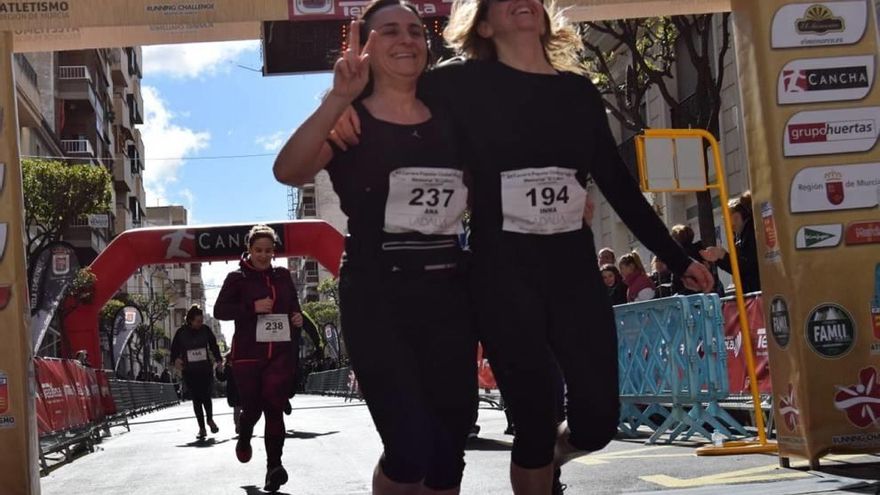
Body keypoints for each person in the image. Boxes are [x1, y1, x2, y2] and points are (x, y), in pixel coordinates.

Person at [274, 4, 478, 492]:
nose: (406, 39)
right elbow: (289, 171)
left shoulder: (453, 117)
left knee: (449, 452)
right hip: (377, 295)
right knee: (409, 450)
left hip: (450, 292)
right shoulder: (349, 122)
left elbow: (492, 177)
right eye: (389, 31)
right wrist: (337, 99)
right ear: (363, 45)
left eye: (415, 31)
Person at [214, 224, 305, 493]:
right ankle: (244, 435)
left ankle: (273, 467)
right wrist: (251, 308)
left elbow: (293, 306)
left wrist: (296, 318)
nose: (263, 255)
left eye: (268, 250)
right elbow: (220, 310)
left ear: (273, 251)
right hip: (248, 356)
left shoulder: (283, 276)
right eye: (258, 250)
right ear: (249, 250)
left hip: (279, 354)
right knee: (252, 408)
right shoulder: (237, 278)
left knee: (274, 406)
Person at [170, 305, 223, 440]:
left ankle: (210, 420)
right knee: (196, 399)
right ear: (190, 320)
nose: (200, 323)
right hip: (190, 371)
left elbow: (213, 345)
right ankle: (202, 428)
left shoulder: (205, 330)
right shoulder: (181, 332)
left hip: (205, 369)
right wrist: (175, 360)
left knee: (206, 396)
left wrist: (219, 360)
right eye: (198, 321)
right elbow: (174, 349)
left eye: (201, 320)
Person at [701, 191, 761, 294]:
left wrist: (723, 256)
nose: (727, 224)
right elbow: (739, 268)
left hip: (755, 289)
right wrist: (721, 258)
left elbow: (747, 265)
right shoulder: (741, 234)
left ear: (736, 216)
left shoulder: (750, 232)